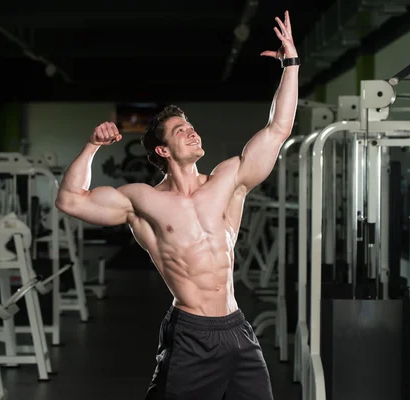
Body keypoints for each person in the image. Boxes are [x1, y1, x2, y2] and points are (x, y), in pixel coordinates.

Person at [55, 10, 299, 400]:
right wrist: (92, 147)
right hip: (191, 334)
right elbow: (70, 200)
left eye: (191, 126)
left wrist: (291, 65)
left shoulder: (228, 179)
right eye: (180, 130)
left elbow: (278, 129)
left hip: (237, 328)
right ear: (163, 150)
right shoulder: (142, 200)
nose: (192, 131)